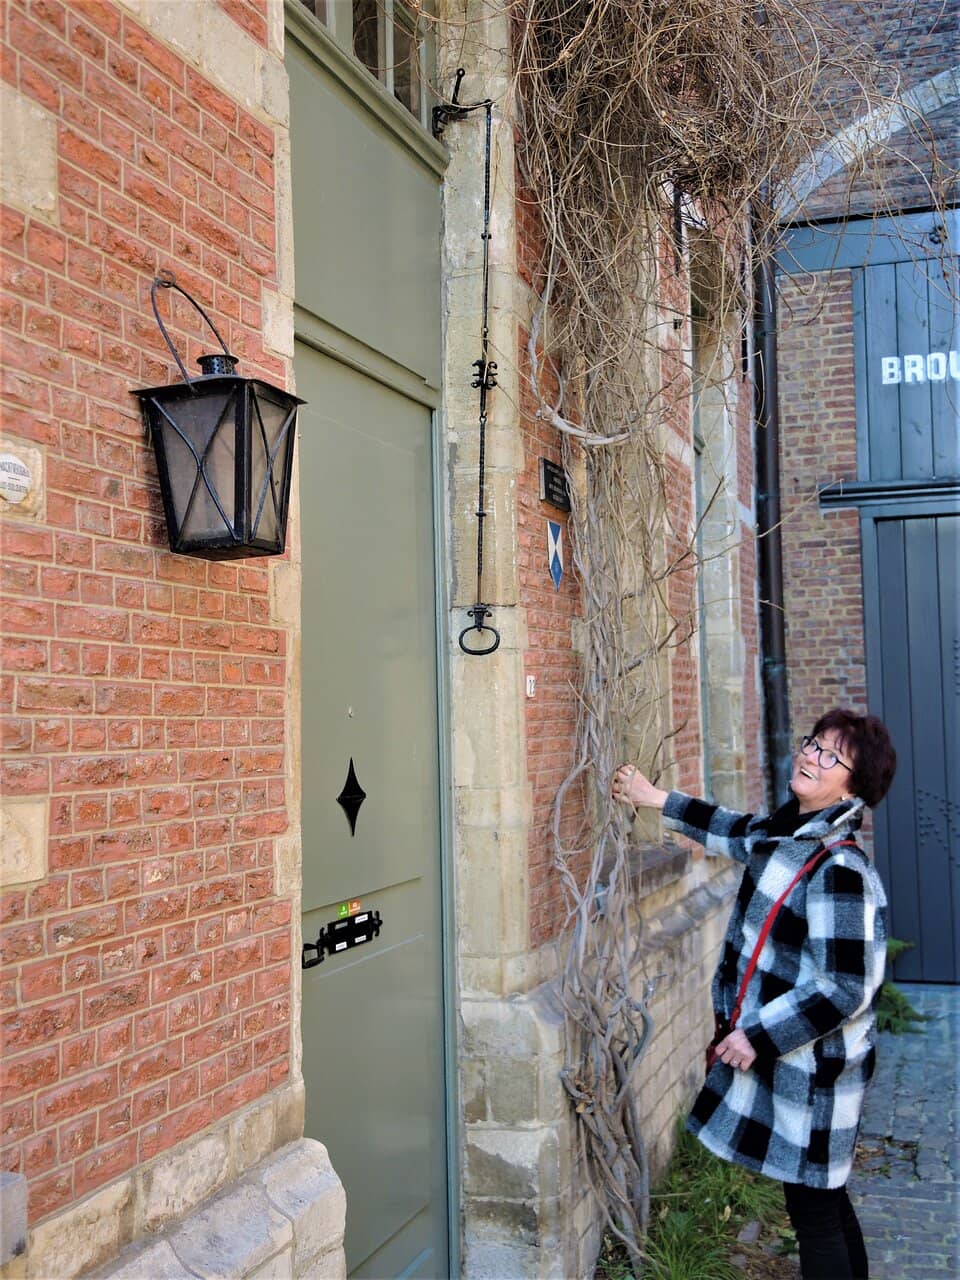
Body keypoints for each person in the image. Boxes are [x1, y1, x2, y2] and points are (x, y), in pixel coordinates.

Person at [613, 708, 897, 1280]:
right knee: (821, 1196)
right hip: (799, 1062)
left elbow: (844, 987)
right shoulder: (789, 836)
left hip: (817, 1071)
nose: (811, 757)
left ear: (854, 786)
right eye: (813, 744)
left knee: (815, 1210)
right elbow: (732, 829)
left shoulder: (839, 868)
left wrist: (757, 1037)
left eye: (831, 756)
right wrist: (653, 797)